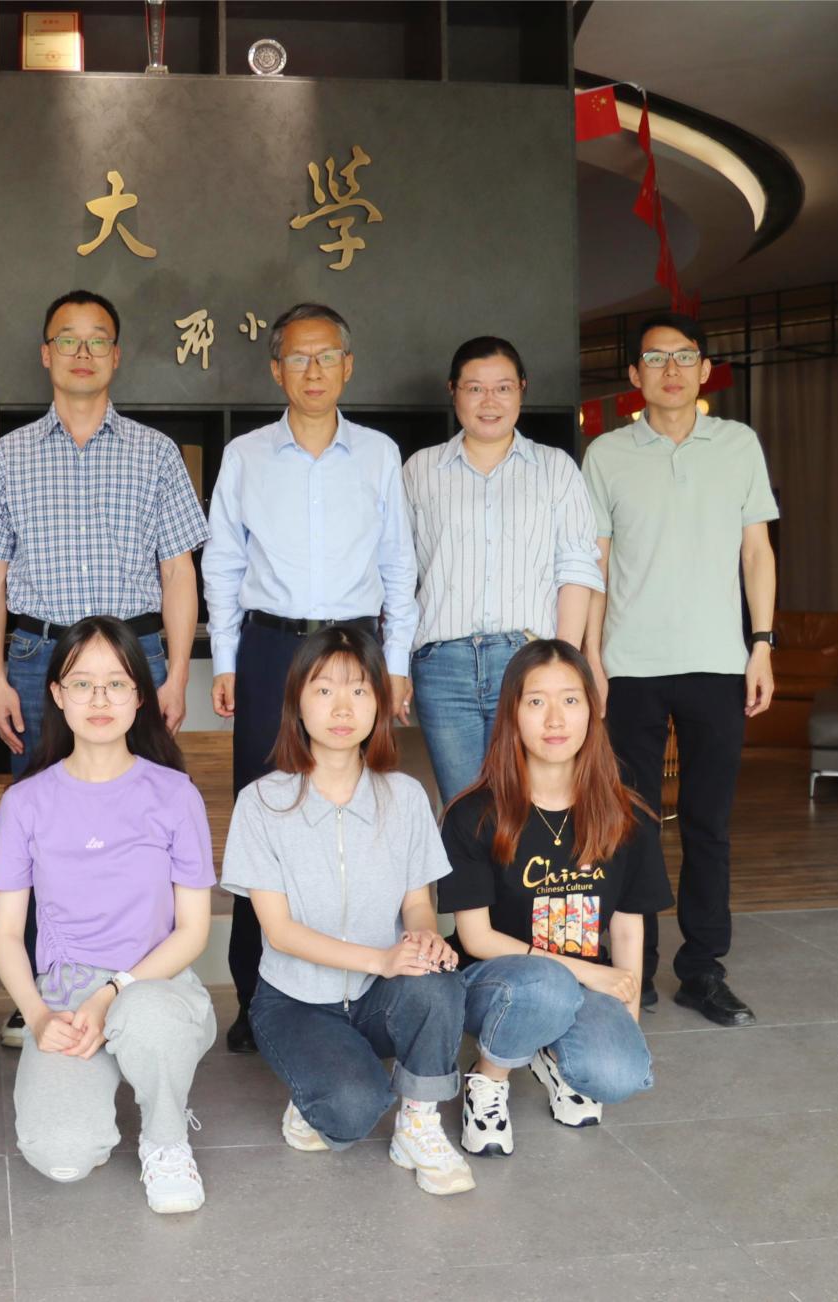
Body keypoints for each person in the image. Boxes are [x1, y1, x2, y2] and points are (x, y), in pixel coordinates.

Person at [0, 290, 209, 1046]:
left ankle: (150, 980)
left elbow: (179, 571)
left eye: (97, 340)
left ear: (116, 354)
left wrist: (176, 674)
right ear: (46, 354)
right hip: (39, 659)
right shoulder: (7, 456)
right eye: (67, 340)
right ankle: (40, 992)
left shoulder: (155, 453)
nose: (82, 353)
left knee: (147, 810)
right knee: (42, 822)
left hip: (135, 662)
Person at [203, 301, 418, 1055]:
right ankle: (256, 995)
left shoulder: (379, 454)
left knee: (365, 805)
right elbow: (223, 564)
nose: (314, 369)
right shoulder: (246, 456)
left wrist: (395, 665)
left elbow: (399, 564)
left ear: (348, 366)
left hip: (357, 651)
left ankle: (369, 980)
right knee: (265, 808)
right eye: (299, 356)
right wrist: (226, 661)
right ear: (277, 369)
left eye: (327, 355)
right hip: (272, 650)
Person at [218, 625, 475, 1198]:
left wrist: (423, 937)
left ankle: (418, 1124)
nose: (342, 708)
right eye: (324, 690)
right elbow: (279, 932)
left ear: (379, 704)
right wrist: (381, 959)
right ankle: (320, 1086)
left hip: (377, 995)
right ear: (297, 703)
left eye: (359, 690)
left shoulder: (405, 796)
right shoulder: (261, 803)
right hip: (295, 1001)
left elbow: (417, 902)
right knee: (351, 1109)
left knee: (439, 980)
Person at [583, 311, 778, 1026]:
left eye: (685, 356)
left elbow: (756, 552)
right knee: (630, 824)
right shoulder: (606, 453)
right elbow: (596, 565)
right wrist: (590, 659)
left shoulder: (738, 445)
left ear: (704, 369)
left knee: (707, 823)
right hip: (628, 667)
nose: (672, 370)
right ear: (634, 376)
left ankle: (703, 970)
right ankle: (634, 964)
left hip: (718, 664)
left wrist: (762, 644)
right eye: (657, 358)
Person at [0, 617, 217, 1215]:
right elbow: (6, 933)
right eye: (82, 684)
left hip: (156, 986)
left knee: (145, 1017)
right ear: (57, 694)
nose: (98, 700)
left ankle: (165, 1136)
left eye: (116, 684)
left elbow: (194, 930)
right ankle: (110, 1081)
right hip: (65, 997)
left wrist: (113, 992)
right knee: (60, 1156)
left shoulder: (175, 794)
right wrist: (38, 1015)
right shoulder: (24, 802)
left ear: (140, 696)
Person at [439, 639, 671, 1154]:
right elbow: (476, 938)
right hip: (493, 985)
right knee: (547, 986)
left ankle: (548, 1053)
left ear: (592, 709)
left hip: (583, 983)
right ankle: (489, 1077)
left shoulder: (626, 816)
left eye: (570, 700)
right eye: (536, 701)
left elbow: (627, 926)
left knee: (617, 1074)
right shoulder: (473, 815)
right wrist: (588, 973)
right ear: (512, 714)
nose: (555, 719)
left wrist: (626, 1013)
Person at [402, 335, 603, 805]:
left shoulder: (555, 469)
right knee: (463, 808)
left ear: (522, 390)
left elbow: (576, 568)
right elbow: (399, 574)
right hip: (443, 666)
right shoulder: (420, 470)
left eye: (503, 388)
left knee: (529, 802)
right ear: (453, 392)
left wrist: (563, 663)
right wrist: (397, 666)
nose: (489, 401)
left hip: (527, 659)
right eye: (475, 388)